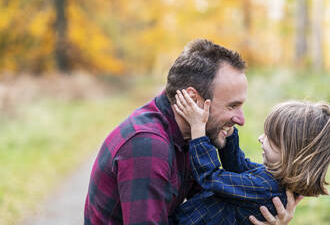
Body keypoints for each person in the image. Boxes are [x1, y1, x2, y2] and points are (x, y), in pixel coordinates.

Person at [84, 39, 300, 224]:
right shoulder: (148, 146)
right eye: (232, 106)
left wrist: (262, 213)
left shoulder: (188, 134)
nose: (241, 120)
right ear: (194, 100)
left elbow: (211, 205)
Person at [170, 90, 330, 224]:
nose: (260, 138)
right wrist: (229, 134)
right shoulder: (272, 180)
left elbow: (210, 177)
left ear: (291, 153)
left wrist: (198, 130)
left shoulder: (266, 188)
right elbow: (237, 167)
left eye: (270, 138)